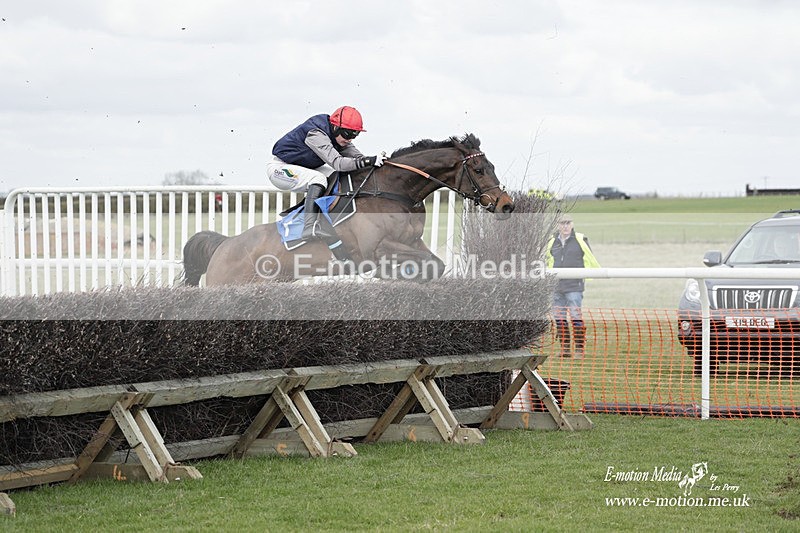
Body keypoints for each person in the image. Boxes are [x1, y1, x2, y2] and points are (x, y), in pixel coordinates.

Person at [267, 106, 388, 244]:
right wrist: (367, 161)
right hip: (280, 168)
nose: (350, 139)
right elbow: (338, 163)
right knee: (318, 179)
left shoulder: (339, 137)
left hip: (302, 167)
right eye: (348, 134)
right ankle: (309, 227)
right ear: (336, 127)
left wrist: (377, 163)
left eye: (355, 135)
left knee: (335, 176)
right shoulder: (315, 134)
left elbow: (359, 159)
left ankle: (328, 219)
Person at [545, 216, 601, 359]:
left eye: (568, 223)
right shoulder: (552, 241)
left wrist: (585, 275)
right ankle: (565, 349)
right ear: (558, 225)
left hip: (574, 286)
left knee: (576, 317)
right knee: (559, 318)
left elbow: (589, 258)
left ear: (572, 224)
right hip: (556, 286)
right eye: (562, 223)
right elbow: (547, 260)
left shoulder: (580, 240)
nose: (565, 226)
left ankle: (579, 350)